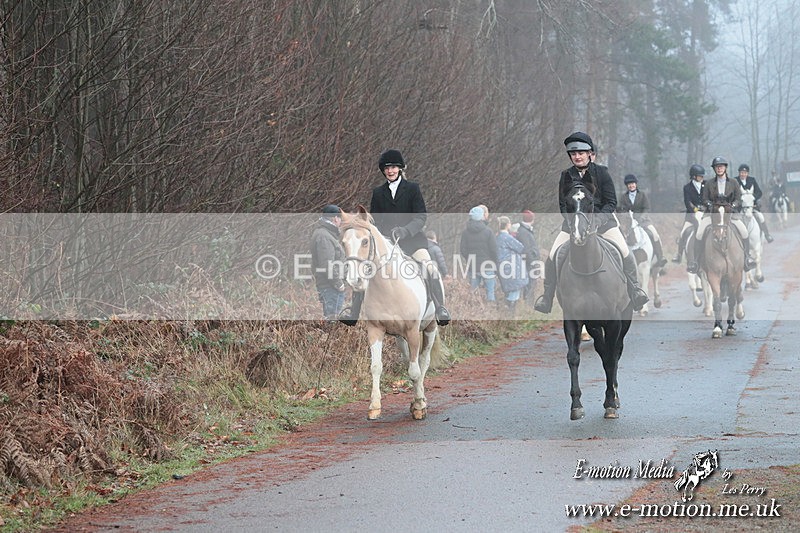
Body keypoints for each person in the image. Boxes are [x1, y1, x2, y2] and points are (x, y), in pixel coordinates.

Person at [534, 131, 649, 313]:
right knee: (552, 255)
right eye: (573, 154)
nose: (577, 157)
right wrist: (574, 222)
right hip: (574, 226)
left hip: (604, 224)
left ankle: (635, 290)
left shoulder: (602, 173)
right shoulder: (566, 176)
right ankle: (547, 297)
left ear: (589, 154)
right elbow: (563, 205)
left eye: (580, 153)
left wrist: (596, 221)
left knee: (626, 252)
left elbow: (611, 202)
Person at [339, 149, 450, 326]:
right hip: (387, 245)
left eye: (393, 167)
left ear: (399, 168)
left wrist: (405, 231)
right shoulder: (378, 192)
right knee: (365, 269)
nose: (390, 171)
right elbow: (374, 221)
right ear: (383, 170)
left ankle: (440, 308)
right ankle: (353, 312)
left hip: (413, 242)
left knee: (430, 267)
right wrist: (382, 236)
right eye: (387, 168)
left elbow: (421, 217)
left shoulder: (413, 188)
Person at [686, 156, 757, 274]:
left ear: (725, 168)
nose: (719, 169)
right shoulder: (709, 183)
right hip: (713, 214)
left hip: (730, 214)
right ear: (714, 169)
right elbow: (704, 199)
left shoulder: (733, 182)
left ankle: (747, 258)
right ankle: (696, 261)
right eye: (717, 167)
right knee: (699, 233)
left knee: (744, 231)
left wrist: (733, 206)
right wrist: (710, 205)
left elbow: (738, 199)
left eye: (721, 166)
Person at [616, 174, 668, 268]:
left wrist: (641, 218)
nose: (631, 186)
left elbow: (647, 208)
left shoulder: (642, 195)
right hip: (628, 223)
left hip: (643, 221)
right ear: (627, 186)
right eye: (629, 184)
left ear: (636, 184)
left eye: (632, 184)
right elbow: (621, 210)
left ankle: (660, 257)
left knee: (654, 234)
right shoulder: (623, 197)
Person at [310, 204, 346, 320]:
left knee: (333, 321)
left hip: (331, 287)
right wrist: (338, 284)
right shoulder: (324, 236)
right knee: (333, 322)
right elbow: (327, 265)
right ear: (335, 218)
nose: (340, 221)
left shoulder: (327, 234)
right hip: (331, 287)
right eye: (340, 218)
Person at [460, 205, 498, 302]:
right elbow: (494, 250)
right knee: (490, 292)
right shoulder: (488, 232)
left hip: (473, 267)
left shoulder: (465, 232)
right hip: (488, 266)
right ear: (482, 217)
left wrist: (469, 259)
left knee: (473, 293)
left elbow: (463, 250)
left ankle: (474, 312)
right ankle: (490, 313)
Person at [672, 164, 706, 263]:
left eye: (702, 176)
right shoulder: (687, 188)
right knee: (683, 233)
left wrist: (705, 208)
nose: (702, 177)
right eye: (700, 176)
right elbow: (687, 202)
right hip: (692, 215)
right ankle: (679, 254)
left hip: (705, 214)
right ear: (694, 176)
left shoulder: (706, 184)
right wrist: (695, 210)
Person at [495, 216, 528, 313]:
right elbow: (521, 247)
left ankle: (508, 313)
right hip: (511, 269)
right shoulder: (507, 237)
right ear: (508, 225)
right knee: (514, 291)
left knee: (509, 291)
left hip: (502, 268)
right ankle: (510, 315)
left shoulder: (496, 237)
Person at [735, 163, 774, 242]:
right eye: (741, 172)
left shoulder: (752, 180)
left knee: (760, 217)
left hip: (752, 206)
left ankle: (767, 235)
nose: (743, 174)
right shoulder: (735, 180)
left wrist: (753, 197)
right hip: (740, 207)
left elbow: (759, 192)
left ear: (747, 173)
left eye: (745, 173)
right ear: (739, 173)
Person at [515, 210, 540, 304]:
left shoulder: (525, 230)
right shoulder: (524, 232)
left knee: (531, 283)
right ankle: (528, 304)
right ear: (531, 219)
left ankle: (529, 303)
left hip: (529, 261)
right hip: (528, 262)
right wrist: (533, 261)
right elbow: (526, 249)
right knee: (529, 283)